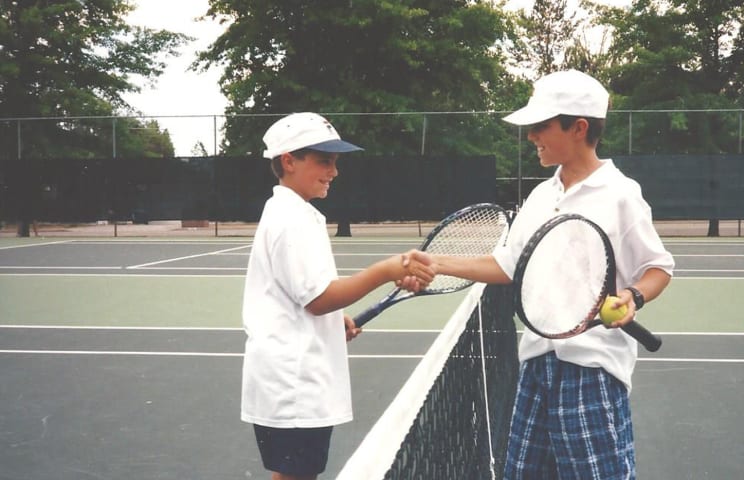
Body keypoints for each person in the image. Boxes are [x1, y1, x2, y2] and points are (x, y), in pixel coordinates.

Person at [408, 70, 675, 479]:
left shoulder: (622, 193)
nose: (532, 136)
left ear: (579, 127)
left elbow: (657, 268)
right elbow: (506, 265)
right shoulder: (539, 196)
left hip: (592, 367)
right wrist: (437, 263)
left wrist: (633, 297)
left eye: (542, 126)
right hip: (535, 362)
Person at [241, 112, 433, 480]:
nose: (334, 171)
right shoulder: (290, 218)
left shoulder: (293, 212)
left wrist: (333, 321)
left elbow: (307, 295)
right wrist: (385, 271)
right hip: (293, 382)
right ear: (289, 161)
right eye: (324, 160)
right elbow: (319, 299)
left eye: (335, 161)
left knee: (293, 474)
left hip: (292, 377)